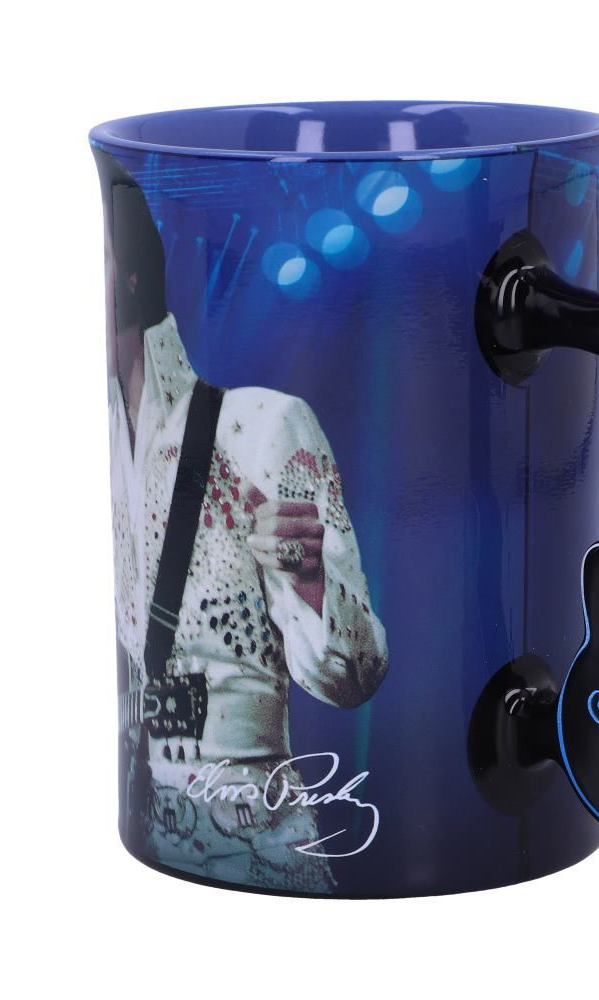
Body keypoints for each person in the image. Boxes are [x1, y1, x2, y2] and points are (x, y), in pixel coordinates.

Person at [95, 150, 388, 893]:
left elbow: (355, 676)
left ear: (128, 278)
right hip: (145, 855)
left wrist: (312, 579)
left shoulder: (259, 425)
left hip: (256, 848)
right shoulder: (104, 440)